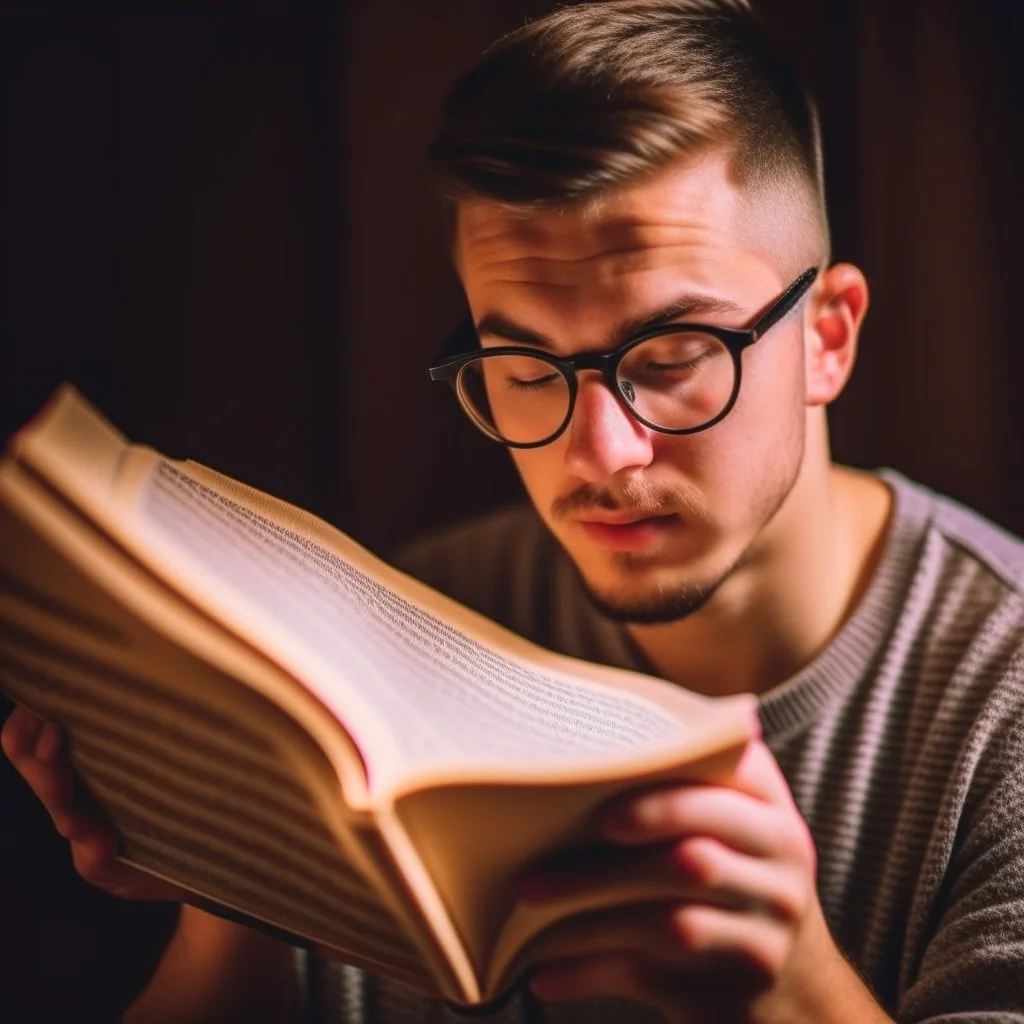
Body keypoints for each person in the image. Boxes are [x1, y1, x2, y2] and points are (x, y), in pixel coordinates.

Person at [4, 1, 1023, 1021]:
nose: (597, 455)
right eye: (521, 365)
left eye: (669, 360)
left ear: (827, 338)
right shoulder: (420, 626)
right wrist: (233, 883)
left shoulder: (1003, 700)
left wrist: (796, 988)